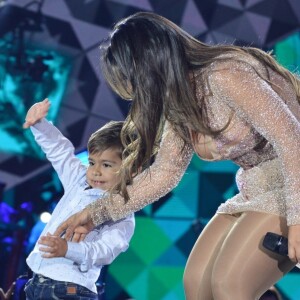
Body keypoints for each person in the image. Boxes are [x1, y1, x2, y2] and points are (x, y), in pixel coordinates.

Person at [53, 12, 300, 299]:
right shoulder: (179, 104)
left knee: (230, 286)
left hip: (293, 179)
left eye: (133, 79)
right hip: (255, 186)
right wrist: (94, 215)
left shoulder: (225, 75)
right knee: (197, 286)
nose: (136, 93)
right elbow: (164, 174)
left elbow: (292, 140)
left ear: (151, 63)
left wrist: (297, 218)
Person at [23, 99, 135, 300]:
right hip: (36, 282)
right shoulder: (79, 180)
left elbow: (105, 251)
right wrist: (39, 124)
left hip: (71, 290)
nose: (96, 171)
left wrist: (68, 249)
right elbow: (60, 152)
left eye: (107, 165)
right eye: (92, 163)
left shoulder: (123, 210)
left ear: (131, 169)